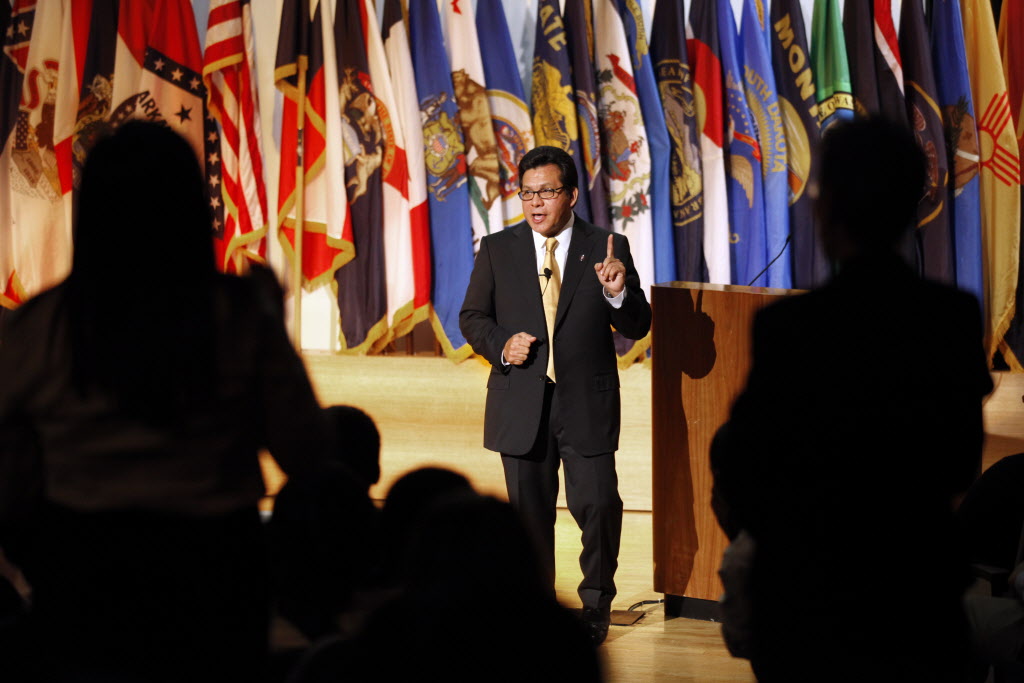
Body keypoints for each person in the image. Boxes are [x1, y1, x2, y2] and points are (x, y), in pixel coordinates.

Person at [0, 120, 332, 682]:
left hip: (82, 575)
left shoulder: (41, 325)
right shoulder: (241, 317)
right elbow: (308, 451)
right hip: (215, 573)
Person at [710, 117, 993, 681]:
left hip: (809, 614)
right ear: (914, 206)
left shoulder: (790, 329)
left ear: (828, 209)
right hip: (917, 610)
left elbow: (739, 466)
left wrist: (775, 542)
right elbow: (961, 463)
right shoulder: (951, 320)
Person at [459, 145, 652, 644]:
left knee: (599, 505)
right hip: (522, 401)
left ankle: (594, 608)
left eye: (546, 191)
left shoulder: (607, 245)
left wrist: (616, 291)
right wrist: (502, 344)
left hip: (584, 402)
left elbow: (637, 322)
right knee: (527, 517)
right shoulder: (499, 248)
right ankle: (533, 609)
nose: (535, 203)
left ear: (569, 194)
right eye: (527, 193)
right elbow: (472, 317)